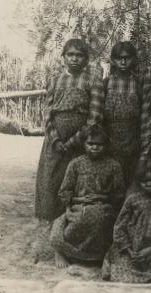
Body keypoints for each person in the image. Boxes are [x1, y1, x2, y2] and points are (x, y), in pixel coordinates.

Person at [35, 39, 104, 221]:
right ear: (63, 57)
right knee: (51, 176)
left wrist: (76, 140)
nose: (74, 59)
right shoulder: (55, 81)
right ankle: (50, 217)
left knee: (76, 176)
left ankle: (72, 218)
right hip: (56, 136)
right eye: (70, 55)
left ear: (86, 59)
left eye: (79, 55)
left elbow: (94, 116)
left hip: (81, 137)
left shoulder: (93, 81)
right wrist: (55, 139)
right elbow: (47, 112)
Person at [50, 125, 125, 268]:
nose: (94, 148)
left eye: (99, 145)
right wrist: (72, 201)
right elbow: (64, 190)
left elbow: (119, 191)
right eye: (90, 144)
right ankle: (63, 252)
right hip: (78, 205)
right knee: (77, 221)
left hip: (103, 206)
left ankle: (97, 257)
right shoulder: (76, 164)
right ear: (84, 144)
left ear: (106, 145)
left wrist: (108, 201)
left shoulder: (113, 165)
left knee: (102, 220)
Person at [101, 158, 151, 283]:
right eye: (144, 181)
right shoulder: (132, 200)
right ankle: (147, 278)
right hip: (130, 249)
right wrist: (129, 250)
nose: (149, 184)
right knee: (120, 269)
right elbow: (119, 227)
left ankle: (145, 277)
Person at [104, 41, 141, 185]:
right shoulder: (106, 83)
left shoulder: (138, 83)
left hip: (132, 138)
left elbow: (144, 112)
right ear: (113, 60)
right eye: (119, 58)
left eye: (127, 57)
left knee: (130, 176)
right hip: (110, 138)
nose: (123, 61)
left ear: (133, 59)